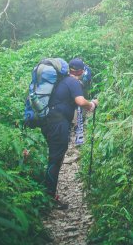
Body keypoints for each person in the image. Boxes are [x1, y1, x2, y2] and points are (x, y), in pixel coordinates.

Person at [41, 57, 98, 209]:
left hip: (50, 122)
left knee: (55, 158)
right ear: (80, 71)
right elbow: (80, 101)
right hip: (58, 124)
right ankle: (49, 198)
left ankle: (48, 194)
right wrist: (91, 104)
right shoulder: (73, 82)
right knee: (55, 159)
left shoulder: (63, 80)